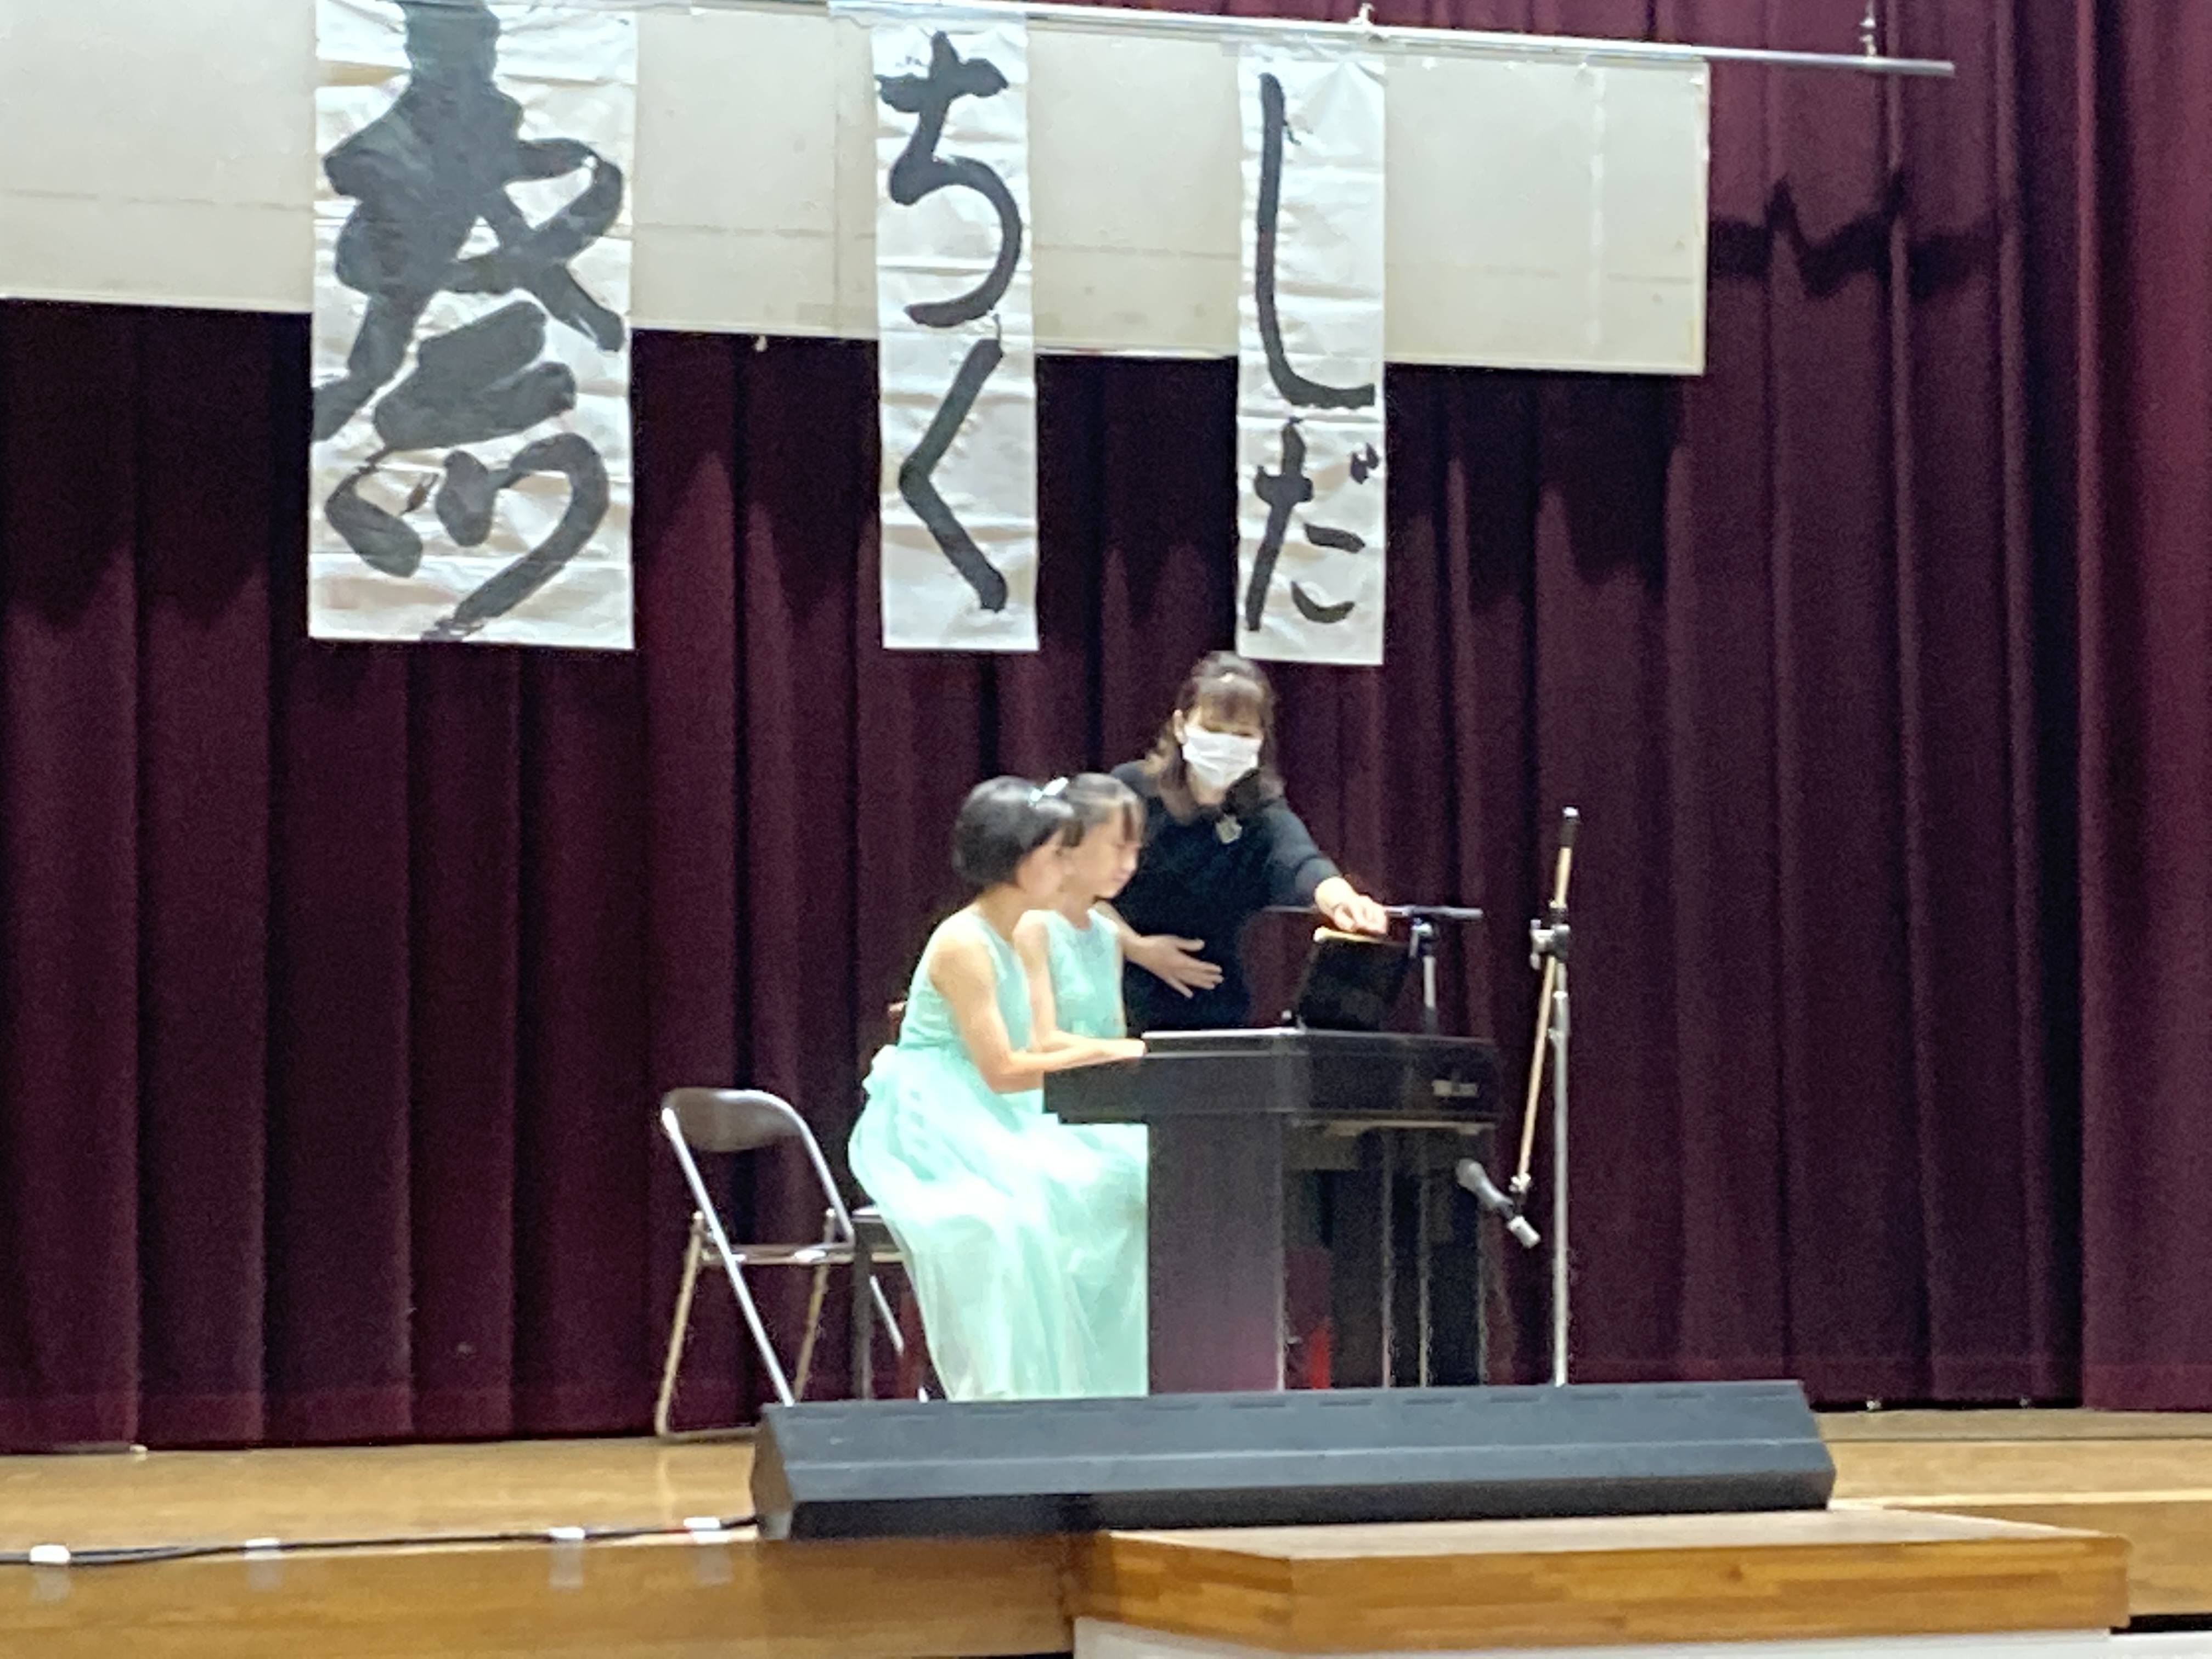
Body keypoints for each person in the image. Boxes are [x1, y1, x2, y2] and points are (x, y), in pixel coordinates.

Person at [847, 777, 1147, 1401]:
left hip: (1001, 1108)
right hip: (940, 1113)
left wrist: (1113, 1050)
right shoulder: (965, 941)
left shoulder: (1027, 931)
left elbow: (1039, 1045)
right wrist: (1114, 1053)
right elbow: (1004, 1068)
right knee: (1020, 1217)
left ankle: (1111, 1381)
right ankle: (1012, 1394)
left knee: (1124, 1182)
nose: (1067, 866)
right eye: (1057, 854)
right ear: (1016, 858)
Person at [1111, 651, 1391, 1033]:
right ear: (1180, 725)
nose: (1227, 745)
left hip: (1216, 1002)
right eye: (1214, 728)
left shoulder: (1261, 810)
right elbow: (1075, 890)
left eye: (1243, 735)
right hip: (1120, 988)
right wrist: (1138, 949)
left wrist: (1345, 901)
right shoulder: (1130, 790)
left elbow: (1300, 860)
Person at [1012, 772, 1150, 1395]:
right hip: (1040, 1112)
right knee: (1111, 1183)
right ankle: (1080, 1375)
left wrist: (1128, 1055)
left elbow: (1112, 1040)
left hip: (1102, 1113)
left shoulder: (1107, 935)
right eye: (1116, 846)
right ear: (1067, 848)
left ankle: (1144, 1372)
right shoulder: (1034, 928)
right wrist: (1127, 1051)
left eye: (1135, 849)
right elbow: (1042, 1042)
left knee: (1180, 1173)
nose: (1129, 863)